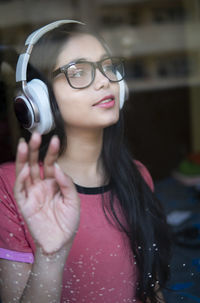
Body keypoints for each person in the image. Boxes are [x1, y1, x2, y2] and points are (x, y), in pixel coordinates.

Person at [0, 20, 171, 303]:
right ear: (38, 99)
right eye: (78, 72)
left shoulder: (137, 176)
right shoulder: (12, 186)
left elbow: (151, 292)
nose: (104, 80)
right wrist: (50, 258)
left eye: (107, 66)